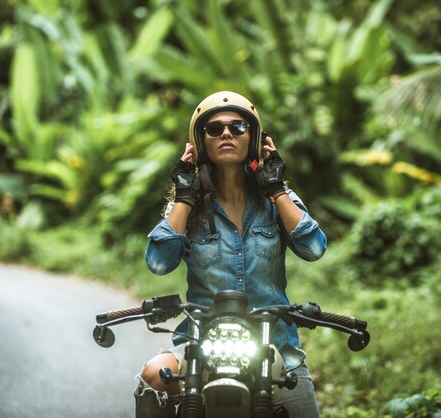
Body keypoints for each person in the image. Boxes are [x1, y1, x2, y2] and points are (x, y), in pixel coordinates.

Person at [137, 91, 327, 417]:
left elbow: (313, 248)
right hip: (201, 346)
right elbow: (158, 262)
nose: (226, 133)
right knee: (154, 375)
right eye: (214, 129)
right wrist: (185, 196)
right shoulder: (186, 206)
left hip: (275, 345)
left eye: (238, 127)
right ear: (201, 141)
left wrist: (277, 190)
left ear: (253, 139)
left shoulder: (276, 200)